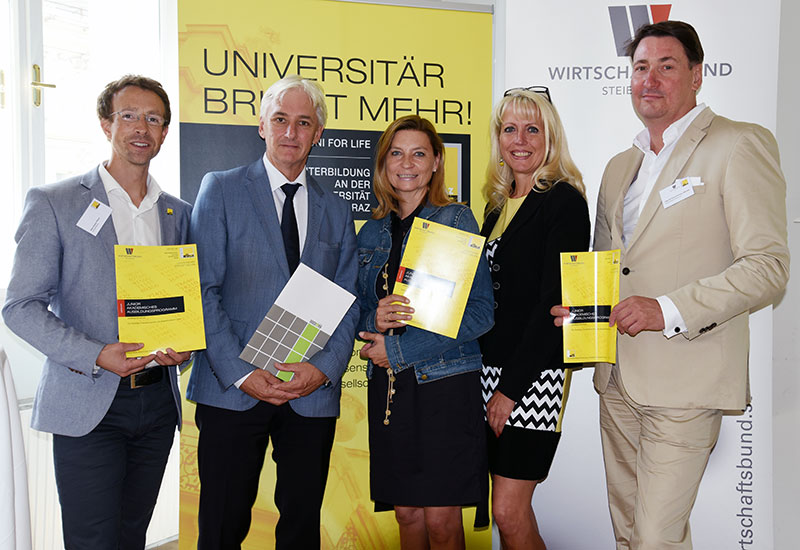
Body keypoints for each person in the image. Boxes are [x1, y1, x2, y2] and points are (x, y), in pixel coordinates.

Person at [551, 21, 789, 549]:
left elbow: (768, 265)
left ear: (697, 75)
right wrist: (582, 313)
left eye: (666, 66)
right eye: (641, 67)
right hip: (616, 382)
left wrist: (669, 308)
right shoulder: (620, 166)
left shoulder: (738, 144)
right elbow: (608, 267)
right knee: (628, 535)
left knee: (655, 540)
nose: (650, 80)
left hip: (686, 381)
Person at [2, 75, 192, 549]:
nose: (141, 128)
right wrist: (96, 353)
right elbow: (20, 306)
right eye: (129, 116)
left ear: (165, 132)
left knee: (131, 536)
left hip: (157, 402)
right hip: (88, 402)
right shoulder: (55, 202)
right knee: (92, 540)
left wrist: (185, 346)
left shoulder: (178, 213)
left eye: (153, 119)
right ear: (106, 124)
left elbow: (182, 302)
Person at [187, 75, 359, 549]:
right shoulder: (220, 189)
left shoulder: (336, 209)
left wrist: (323, 370)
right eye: (280, 119)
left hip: (309, 391)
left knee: (302, 529)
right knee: (221, 528)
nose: (290, 132)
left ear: (318, 134)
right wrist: (242, 373)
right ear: (262, 125)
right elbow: (202, 289)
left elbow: (348, 300)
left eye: (304, 122)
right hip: (233, 388)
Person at [357, 115, 494, 550]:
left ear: (436, 162)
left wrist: (398, 351)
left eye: (419, 154)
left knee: (441, 521)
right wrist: (372, 320)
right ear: (384, 163)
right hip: (390, 389)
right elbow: (355, 311)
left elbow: (481, 313)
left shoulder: (455, 219)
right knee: (406, 514)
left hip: (444, 386)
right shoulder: (372, 230)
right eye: (396, 154)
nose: (407, 164)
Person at [478, 88, 590, 550]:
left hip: (534, 377)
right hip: (485, 370)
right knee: (504, 511)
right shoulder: (495, 205)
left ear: (550, 137)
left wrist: (510, 390)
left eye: (532, 129)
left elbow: (553, 303)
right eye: (510, 129)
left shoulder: (563, 201)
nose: (520, 140)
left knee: (509, 509)